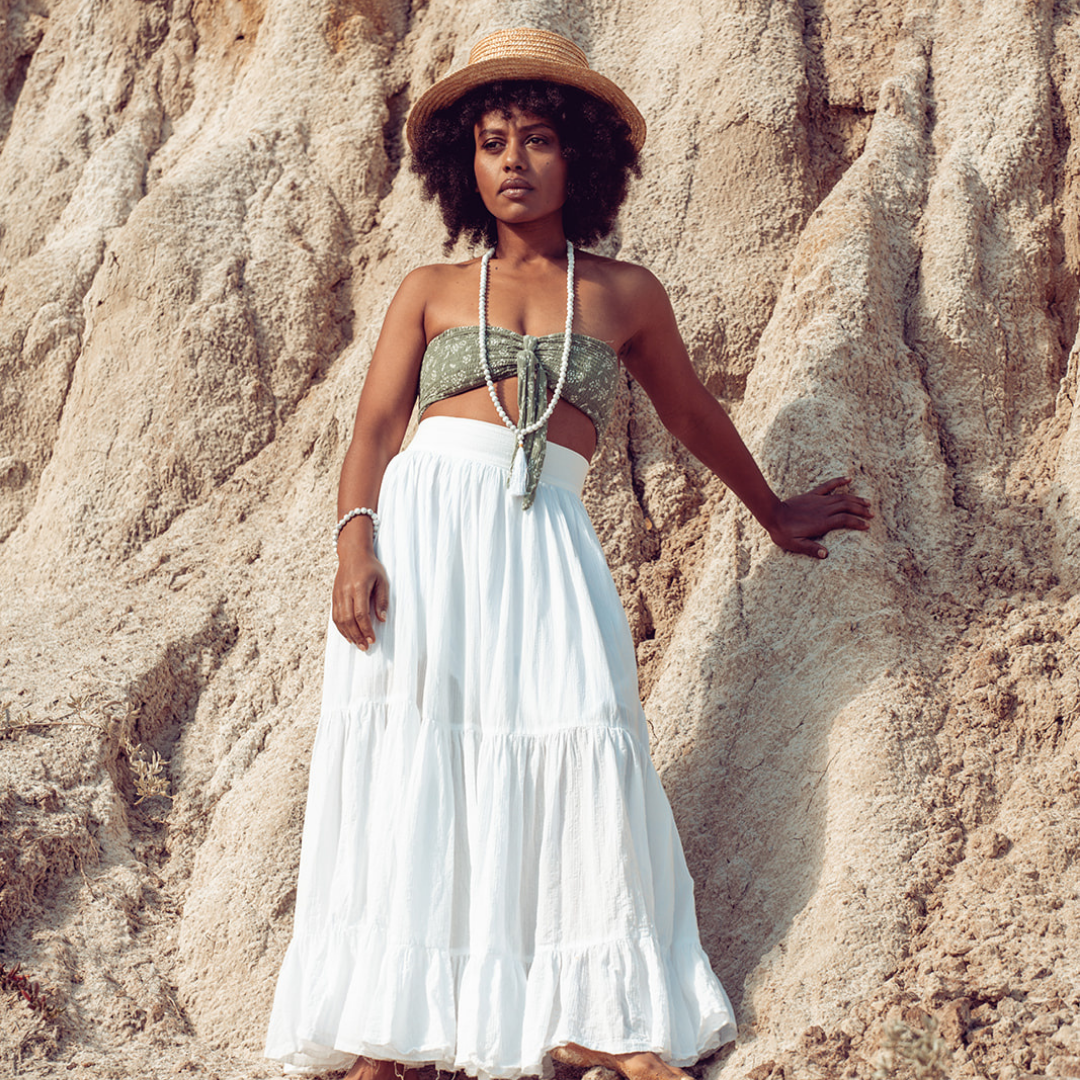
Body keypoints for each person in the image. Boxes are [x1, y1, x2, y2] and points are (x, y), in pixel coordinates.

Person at [263, 27, 872, 1080]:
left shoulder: (624, 293)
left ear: (579, 156)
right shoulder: (430, 289)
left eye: (537, 139)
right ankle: (393, 1032)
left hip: (545, 536)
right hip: (425, 535)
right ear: (465, 161)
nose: (512, 160)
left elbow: (691, 414)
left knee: (584, 737)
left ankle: (605, 1016)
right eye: (491, 141)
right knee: (424, 762)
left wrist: (771, 510)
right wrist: (352, 541)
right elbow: (370, 432)